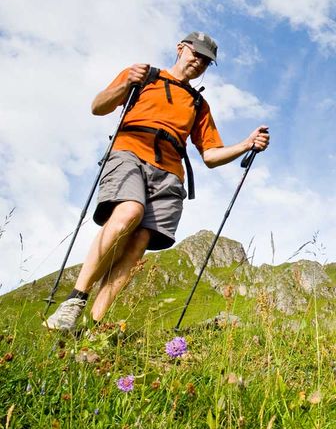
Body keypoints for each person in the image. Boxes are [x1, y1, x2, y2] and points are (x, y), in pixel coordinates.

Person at [44, 32, 270, 331]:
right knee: (128, 212)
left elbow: (211, 155)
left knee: (138, 243)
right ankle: (74, 301)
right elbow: (98, 107)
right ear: (180, 49)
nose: (198, 62)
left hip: (171, 173)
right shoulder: (144, 76)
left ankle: (92, 326)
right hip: (130, 152)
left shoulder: (198, 104)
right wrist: (127, 84)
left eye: (206, 61)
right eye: (196, 54)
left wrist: (246, 144)